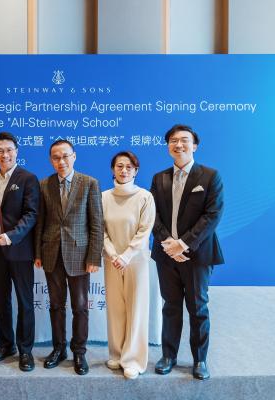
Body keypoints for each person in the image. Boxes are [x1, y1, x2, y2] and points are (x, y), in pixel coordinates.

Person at [151, 124, 224, 380]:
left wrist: (183, 244)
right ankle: (168, 355)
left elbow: (212, 215)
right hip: (165, 254)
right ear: (168, 146)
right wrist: (168, 243)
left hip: (198, 254)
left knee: (198, 307)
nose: (178, 145)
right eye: (173, 140)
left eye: (184, 140)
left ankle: (199, 359)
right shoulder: (159, 178)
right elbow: (153, 216)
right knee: (170, 306)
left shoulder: (210, 176)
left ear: (195, 145)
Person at [34, 139, 103, 376]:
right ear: (51, 160)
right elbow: (40, 222)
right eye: (56, 157)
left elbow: (96, 224)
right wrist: (37, 253)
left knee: (80, 307)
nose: (61, 161)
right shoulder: (44, 185)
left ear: (74, 156)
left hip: (80, 255)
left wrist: (94, 256)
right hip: (51, 253)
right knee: (55, 305)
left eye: (65, 156)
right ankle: (58, 349)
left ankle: (79, 352)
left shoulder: (89, 183)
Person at [0, 132, 40, 372]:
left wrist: (10, 236)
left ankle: (25, 350)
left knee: (25, 302)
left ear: (16, 151)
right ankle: (5, 344)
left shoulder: (28, 178)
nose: (4, 154)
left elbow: (31, 214)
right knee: (1, 300)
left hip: (20, 250)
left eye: (9, 150)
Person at [102, 151, 156, 380]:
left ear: (136, 171)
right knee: (115, 308)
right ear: (113, 169)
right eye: (119, 166)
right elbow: (100, 229)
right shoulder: (103, 197)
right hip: (111, 259)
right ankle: (116, 353)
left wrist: (126, 255)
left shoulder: (145, 197)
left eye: (129, 167)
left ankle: (133, 360)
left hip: (136, 261)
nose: (124, 171)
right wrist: (114, 254)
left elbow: (145, 229)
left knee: (136, 309)